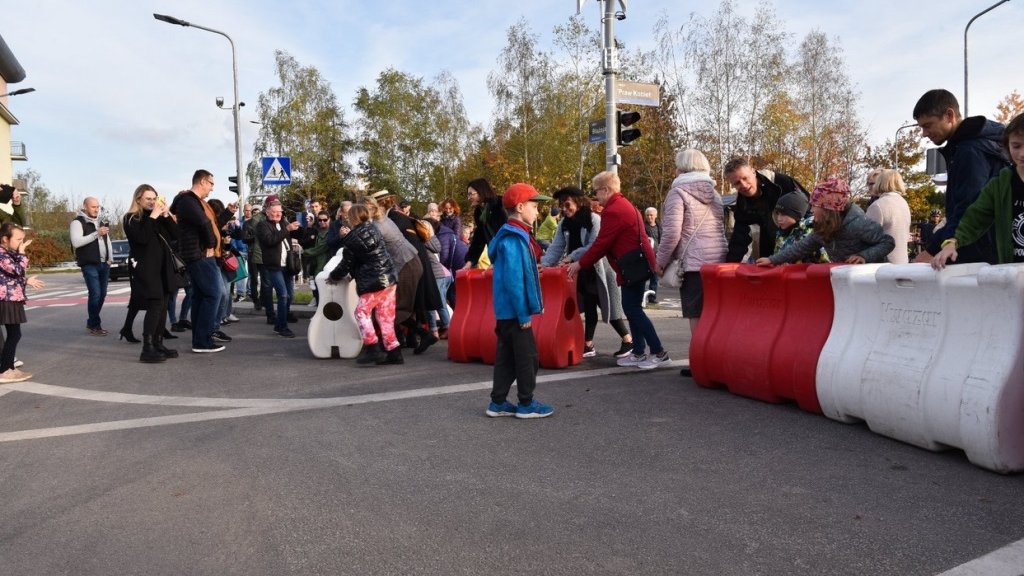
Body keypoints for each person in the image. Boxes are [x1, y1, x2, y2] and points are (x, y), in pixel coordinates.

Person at [570, 171, 669, 370]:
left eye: (597, 191)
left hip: (630, 268)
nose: (596, 196)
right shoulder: (627, 205)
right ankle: (639, 352)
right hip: (636, 266)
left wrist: (579, 263)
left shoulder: (613, 211)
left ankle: (658, 352)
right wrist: (653, 264)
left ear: (605, 190)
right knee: (633, 309)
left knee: (632, 310)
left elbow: (601, 244)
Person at [653, 149, 727, 377]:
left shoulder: (678, 193)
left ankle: (701, 364)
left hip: (694, 264)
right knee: (715, 315)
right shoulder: (714, 194)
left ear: (682, 168)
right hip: (718, 263)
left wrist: (660, 261)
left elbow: (672, 233)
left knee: (696, 315)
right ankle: (717, 362)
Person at [913, 89, 1009, 263]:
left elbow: (968, 206)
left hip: (977, 251)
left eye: (928, 125)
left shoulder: (969, 151)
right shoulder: (977, 146)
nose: (924, 133)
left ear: (949, 115)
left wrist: (933, 250)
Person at [485, 182, 555, 419]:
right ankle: (526, 403)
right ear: (520, 207)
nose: (538, 212)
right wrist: (524, 314)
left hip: (505, 311)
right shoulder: (515, 238)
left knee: (506, 358)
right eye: (535, 206)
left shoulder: (509, 235)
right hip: (516, 312)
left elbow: (514, 272)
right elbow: (514, 280)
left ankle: (498, 402)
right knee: (528, 358)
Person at [542, 186, 633, 359]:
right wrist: (544, 265)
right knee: (590, 306)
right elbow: (555, 248)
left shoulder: (593, 219)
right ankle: (589, 344)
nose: (564, 208)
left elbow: (594, 246)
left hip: (598, 270)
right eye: (561, 205)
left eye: (567, 204)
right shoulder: (564, 223)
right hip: (578, 271)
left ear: (578, 201)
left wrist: (572, 256)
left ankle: (627, 340)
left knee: (609, 307)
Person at [932, 113, 1024, 269]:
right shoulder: (999, 184)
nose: (1022, 154)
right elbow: (974, 218)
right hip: (1012, 273)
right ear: (1007, 145)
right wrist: (952, 242)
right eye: (1016, 146)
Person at [327, 203, 404, 365]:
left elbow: (345, 265)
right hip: (389, 278)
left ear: (353, 218)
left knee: (361, 312)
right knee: (385, 317)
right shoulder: (374, 229)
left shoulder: (352, 239)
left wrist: (333, 276)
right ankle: (394, 352)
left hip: (373, 281)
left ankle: (372, 347)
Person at [756, 178, 894, 266]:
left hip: (873, 277)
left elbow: (887, 242)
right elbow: (801, 247)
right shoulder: (823, 227)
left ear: (827, 208)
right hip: (848, 278)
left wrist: (864, 256)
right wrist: (772, 260)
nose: (812, 209)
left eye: (815, 205)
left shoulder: (858, 223)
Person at [169, 169, 233, 354]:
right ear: (203, 181)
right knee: (213, 294)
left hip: (198, 254)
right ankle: (203, 341)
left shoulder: (193, 202)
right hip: (200, 254)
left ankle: (199, 339)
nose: (212, 189)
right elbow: (204, 224)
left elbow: (209, 223)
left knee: (200, 296)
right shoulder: (189, 200)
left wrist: (228, 213)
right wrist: (211, 244)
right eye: (211, 184)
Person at [123, 184, 181, 363]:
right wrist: (154, 217)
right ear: (138, 199)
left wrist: (166, 216)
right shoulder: (131, 218)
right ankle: (146, 348)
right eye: (148, 198)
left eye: (154, 198)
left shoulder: (157, 218)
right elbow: (142, 238)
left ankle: (158, 343)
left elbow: (176, 234)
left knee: (163, 305)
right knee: (155, 304)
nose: (152, 202)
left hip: (163, 267)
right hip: (146, 269)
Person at [723, 157, 809, 263]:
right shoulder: (742, 206)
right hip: (768, 259)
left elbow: (808, 206)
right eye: (737, 183)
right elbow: (739, 241)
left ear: (753, 172)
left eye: (745, 178)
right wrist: (728, 267)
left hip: (802, 253)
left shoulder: (781, 183)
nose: (743, 185)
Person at [0, 223, 44, 383]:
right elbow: (17, 271)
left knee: (13, 334)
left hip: (11, 297)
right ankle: (5, 370)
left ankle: (8, 367)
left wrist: (26, 280)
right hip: (7, 298)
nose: (21, 242)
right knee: (14, 334)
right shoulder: (2, 254)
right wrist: (22, 252)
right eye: (18, 239)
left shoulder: (6, 252)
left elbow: (12, 275)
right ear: (5, 238)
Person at [256, 201, 301, 338]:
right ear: (268, 212)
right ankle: (282, 327)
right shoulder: (262, 225)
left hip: (287, 265)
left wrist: (298, 229)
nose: (278, 214)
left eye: (280, 212)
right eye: (275, 211)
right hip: (273, 266)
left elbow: (289, 237)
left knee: (290, 296)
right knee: (283, 295)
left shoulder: (282, 223)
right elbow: (270, 240)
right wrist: (287, 229)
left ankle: (279, 323)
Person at [70, 196, 113, 336]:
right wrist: (96, 234)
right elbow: (76, 242)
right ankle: (95, 325)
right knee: (95, 294)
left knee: (102, 294)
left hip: (104, 263)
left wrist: (110, 258)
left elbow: (108, 241)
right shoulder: (78, 223)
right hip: (89, 264)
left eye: (98, 207)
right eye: (93, 207)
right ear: (85, 207)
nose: (96, 209)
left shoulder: (101, 222)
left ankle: (91, 321)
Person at [865, 169, 912, 264]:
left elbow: (865, 237)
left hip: (883, 265)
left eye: (873, 183)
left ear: (881, 182)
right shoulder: (903, 202)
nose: (870, 187)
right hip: (902, 262)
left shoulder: (878, 205)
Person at [770, 191, 826, 263]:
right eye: (778, 213)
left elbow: (824, 262)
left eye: (784, 214)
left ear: (796, 215)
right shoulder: (781, 233)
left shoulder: (811, 233)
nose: (779, 218)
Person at [463, 178, 507, 269]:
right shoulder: (479, 212)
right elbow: (479, 238)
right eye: (468, 195)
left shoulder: (500, 205)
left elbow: (509, 232)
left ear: (481, 191)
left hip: (510, 255)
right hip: (496, 256)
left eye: (471, 194)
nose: (469, 198)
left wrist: (502, 260)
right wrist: (470, 261)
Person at [643, 206, 662, 303]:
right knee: (643, 278)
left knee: (654, 279)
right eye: (647, 215)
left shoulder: (660, 226)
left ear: (655, 216)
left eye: (651, 215)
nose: (649, 217)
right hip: (646, 256)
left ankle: (652, 298)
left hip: (657, 256)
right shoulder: (643, 227)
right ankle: (641, 298)